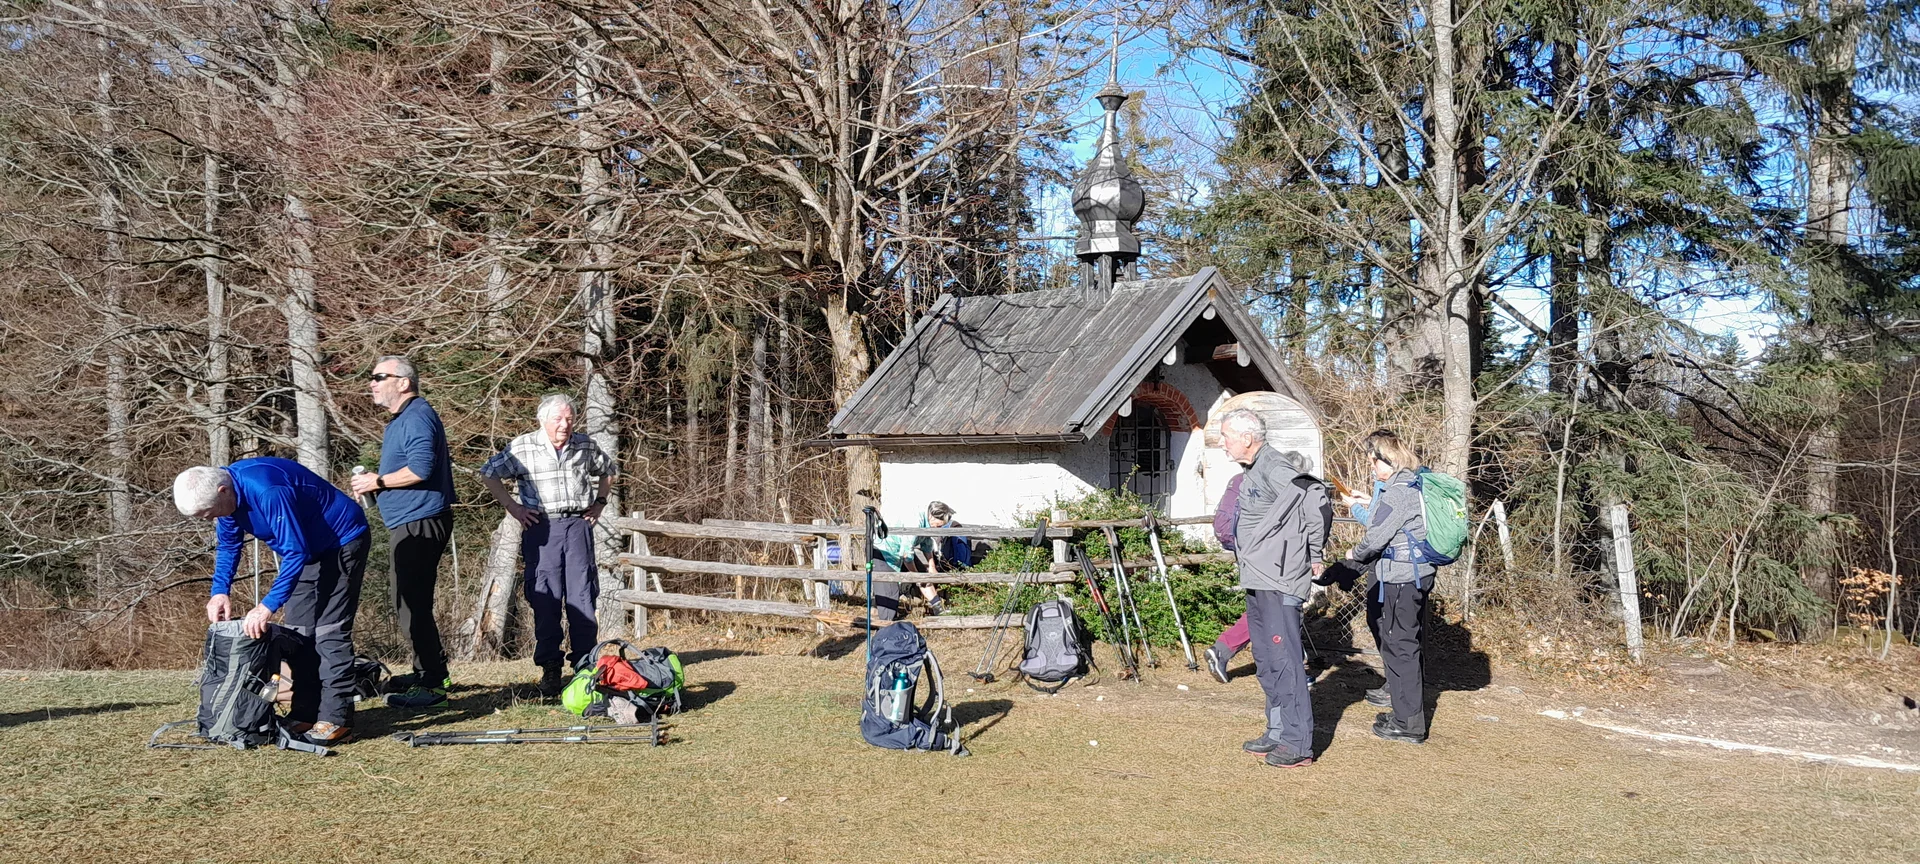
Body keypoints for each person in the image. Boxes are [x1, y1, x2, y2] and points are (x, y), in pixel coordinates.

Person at [174, 459, 369, 745]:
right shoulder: (226, 500)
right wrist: (219, 591)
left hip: (340, 542)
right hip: (306, 552)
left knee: (329, 632)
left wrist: (267, 605)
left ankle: (336, 719)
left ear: (223, 490)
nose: (207, 519)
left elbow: (295, 551)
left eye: (207, 512)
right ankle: (305, 711)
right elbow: (229, 545)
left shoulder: (267, 490)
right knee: (299, 633)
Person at [479, 394, 616, 697]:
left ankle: (584, 668)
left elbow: (608, 470)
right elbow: (488, 473)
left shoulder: (584, 445)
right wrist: (513, 508)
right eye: (558, 419)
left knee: (583, 597)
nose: (565, 424)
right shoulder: (523, 447)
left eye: (569, 418)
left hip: (578, 527)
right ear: (542, 420)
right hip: (541, 529)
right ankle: (550, 669)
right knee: (545, 598)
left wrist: (600, 503)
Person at [1220, 409, 1330, 769]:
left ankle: (1298, 743)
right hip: (1257, 578)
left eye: (1226, 437)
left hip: (1279, 580)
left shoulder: (1273, 465)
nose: (1223, 444)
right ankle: (1278, 731)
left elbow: (1315, 496)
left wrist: (1313, 552)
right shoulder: (1254, 470)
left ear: (1247, 438)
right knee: (1267, 661)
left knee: (1285, 661)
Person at [348, 355, 456, 710]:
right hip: (409, 520)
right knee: (408, 601)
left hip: (421, 520)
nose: (372, 383)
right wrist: (374, 487)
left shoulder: (417, 416)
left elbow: (422, 468)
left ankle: (433, 682)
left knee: (412, 603)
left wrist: (377, 480)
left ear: (404, 382)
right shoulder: (401, 421)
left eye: (380, 376)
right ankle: (428, 670)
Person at [1336, 429, 1435, 744]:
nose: (1371, 468)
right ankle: (1405, 714)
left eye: (1372, 461)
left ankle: (1408, 725)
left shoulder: (1397, 491)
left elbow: (1376, 536)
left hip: (1403, 577)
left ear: (1384, 459)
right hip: (1416, 573)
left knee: (1401, 646)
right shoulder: (1413, 482)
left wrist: (1356, 553)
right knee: (1403, 644)